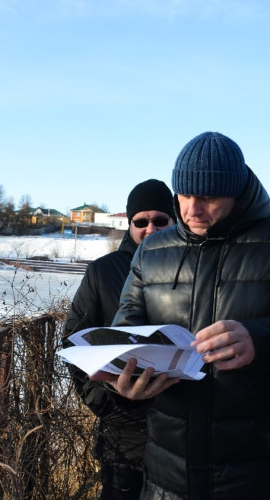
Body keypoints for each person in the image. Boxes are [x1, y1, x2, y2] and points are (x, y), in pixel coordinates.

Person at [93, 131, 270, 499]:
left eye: (208, 197)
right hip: (166, 471)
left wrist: (259, 339)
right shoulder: (153, 250)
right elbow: (127, 327)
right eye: (184, 195)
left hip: (258, 473)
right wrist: (123, 380)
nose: (191, 210)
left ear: (237, 192)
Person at [64, 179, 176, 500]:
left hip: (185, 430)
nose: (150, 228)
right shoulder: (102, 272)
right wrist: (110, 399)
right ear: (130, 225)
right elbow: (74, 342)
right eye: (141, 221)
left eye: (160, 220)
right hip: (124, 437)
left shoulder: (196, 268)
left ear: (174, 221)